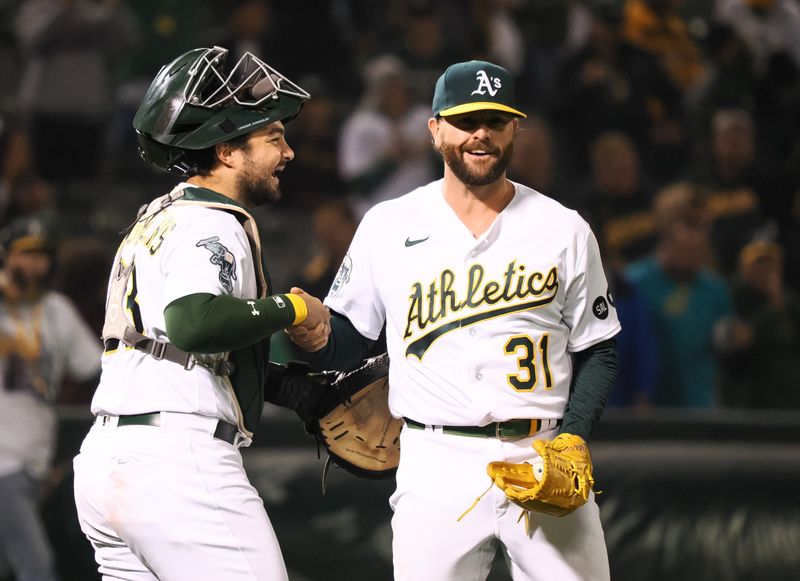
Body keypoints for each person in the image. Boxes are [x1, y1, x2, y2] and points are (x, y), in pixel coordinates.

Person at [290, 60, 621, 581]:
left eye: (496, 120)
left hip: (543, 453)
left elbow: (598, 347)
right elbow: (351, 341)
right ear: (435, 128)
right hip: (433, 457)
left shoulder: (564, 230)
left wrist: (573, 438)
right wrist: (314, 335)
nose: (481, 134)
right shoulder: (388, 225)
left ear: (516, 127)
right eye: (466, 121)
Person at [71, 46, 330, 580]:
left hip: (107, 459)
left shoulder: (159, 217)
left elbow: (175, 347)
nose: (289, 152)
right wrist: (293, 307)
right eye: (274, 137)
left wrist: (289, 387)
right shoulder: (211, 223)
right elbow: (193, 323)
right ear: (229, 151)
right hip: (174, 464)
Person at [0, 216, 101, 581]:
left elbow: (97, 373)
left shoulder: (56, 310)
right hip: (3, 462)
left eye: (41, 255)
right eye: (24, 254)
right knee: (37, 568)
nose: (33, 264)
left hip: (35, 463)